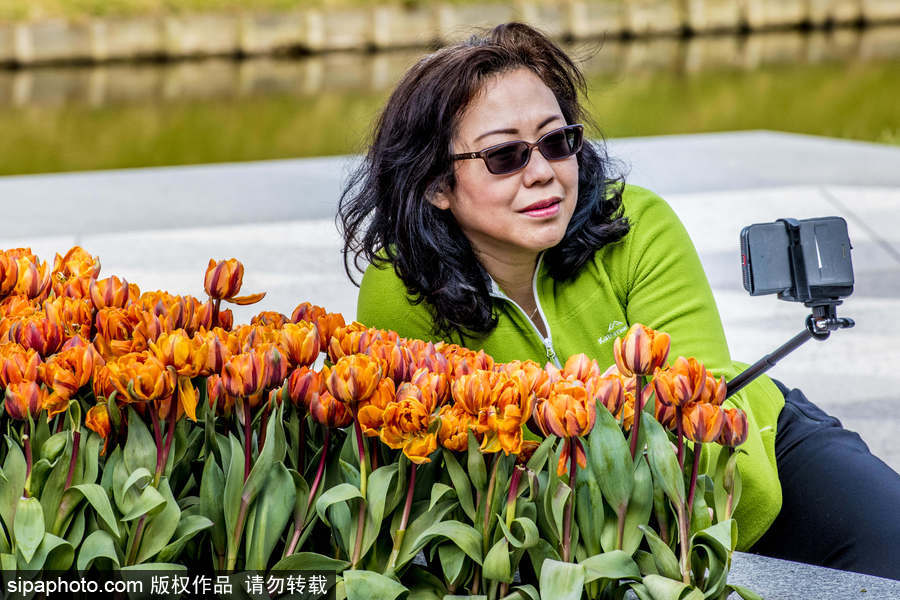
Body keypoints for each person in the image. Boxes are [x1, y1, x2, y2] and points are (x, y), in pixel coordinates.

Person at [338, 23, 900, 580]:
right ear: (436, 184)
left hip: (749, 462)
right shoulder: (401, 288)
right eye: (505, 156)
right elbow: (437, 472)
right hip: (562, 542)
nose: (543, 174)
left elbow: (704, 406)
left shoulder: (637, 224)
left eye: (557, 143)